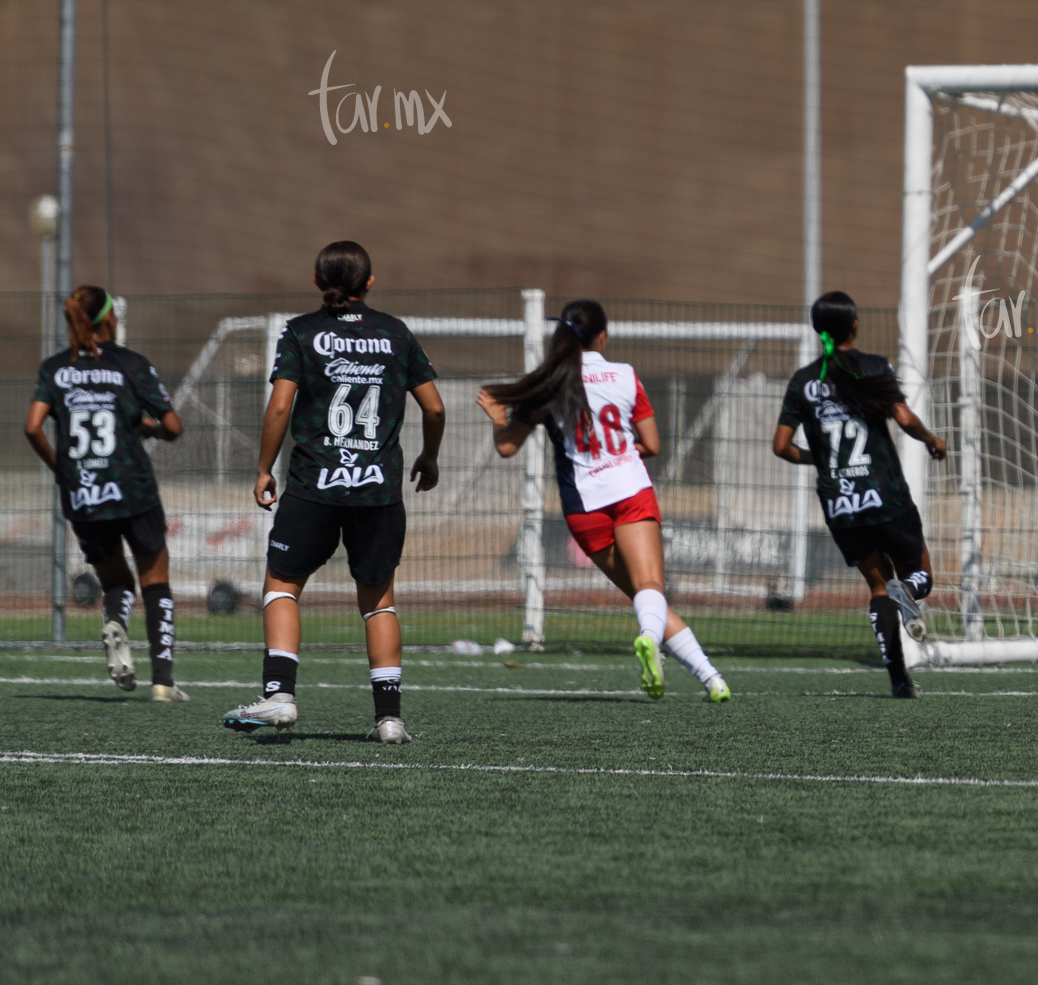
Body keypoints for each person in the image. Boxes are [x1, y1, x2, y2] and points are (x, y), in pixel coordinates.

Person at [221, 242, 444, 744]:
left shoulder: (302, 331)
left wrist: (263, 470)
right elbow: (434, 408)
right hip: (378, 490)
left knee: (281, 585)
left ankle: (279, 696)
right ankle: (389, 719)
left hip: (313, 486)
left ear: (318, 280)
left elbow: (280, 407)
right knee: (379, 602)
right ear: (369, 281)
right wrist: (429, 457)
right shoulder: (394, 332)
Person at [477, 299, 729, 703]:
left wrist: (497, 415)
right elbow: (652, 443)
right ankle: (651, 639)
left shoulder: (551, 382)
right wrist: (618, 453)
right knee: (651, 591)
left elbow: (507, 447)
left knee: (642, 595)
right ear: (603, 336)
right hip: (631, 492)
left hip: (584, 506)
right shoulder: (626, 376)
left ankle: (712, 678)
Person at [773, 292, 947, 699]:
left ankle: (899, 680)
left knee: (878, 588)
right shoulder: (874, 367)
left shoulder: (802, 381)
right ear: (854, 325)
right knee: (919, 572)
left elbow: (781, 446)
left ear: (819, 332)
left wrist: (822, 460)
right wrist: (932, 440)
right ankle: (914, 589)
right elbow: (903, 418)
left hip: (840, 502)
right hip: (884, 492)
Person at [23, 285, 188, 701]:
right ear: (109, 319)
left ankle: (116, 621)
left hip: (83, 494)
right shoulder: (130, 364)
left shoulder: (54, 369)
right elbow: (173, 426)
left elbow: (32, 426)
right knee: (155, 577)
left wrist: (61, 467)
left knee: (116, 580)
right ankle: (163, 682)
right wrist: (148, 427)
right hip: (131, 488)